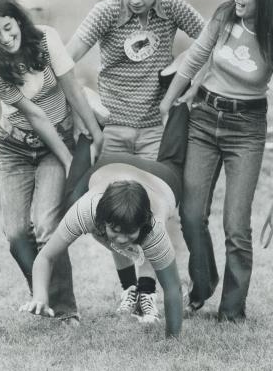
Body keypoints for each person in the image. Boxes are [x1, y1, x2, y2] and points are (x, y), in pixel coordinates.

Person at [160, 0, 273, 322]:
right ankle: (201, 287)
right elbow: (196, 56)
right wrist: (167, 103)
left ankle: (232, 309)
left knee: (236, 225)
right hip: (203, 118)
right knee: (191, 214)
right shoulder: (225, 15)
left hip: (246, 128)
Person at [0, 0, 104, 322]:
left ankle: (64, 311)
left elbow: (72, 88)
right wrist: (68, 159)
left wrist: (95, 132)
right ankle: (42, 296)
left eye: (8, 27)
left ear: (18, 19)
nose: (5, 38)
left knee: (48, 226)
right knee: (16, 234)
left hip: (54, 139)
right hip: (14, 146)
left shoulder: (46, 39)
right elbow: (35, 116)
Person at [20, 103, 189, 338]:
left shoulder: (155, 230)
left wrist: (173, 339)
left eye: (129, 233)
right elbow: (46, 256)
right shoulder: (87, 209)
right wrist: (39, 295)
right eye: (115, 230)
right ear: (102, 219)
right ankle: (90, 130)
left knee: (173, 159)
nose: (120, 240)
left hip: (161, 176)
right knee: (68, 201)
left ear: (143, 225)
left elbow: (172, 288)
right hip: (109, 166)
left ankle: (178, 105)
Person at [67, 0, 204, 162]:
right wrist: (78, 109)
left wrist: (194, 82)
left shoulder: (173, 7)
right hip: (111, 128)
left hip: (156, 128)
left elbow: (212, 41)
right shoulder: (106, 12)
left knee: (151, 192)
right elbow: (65, 60)